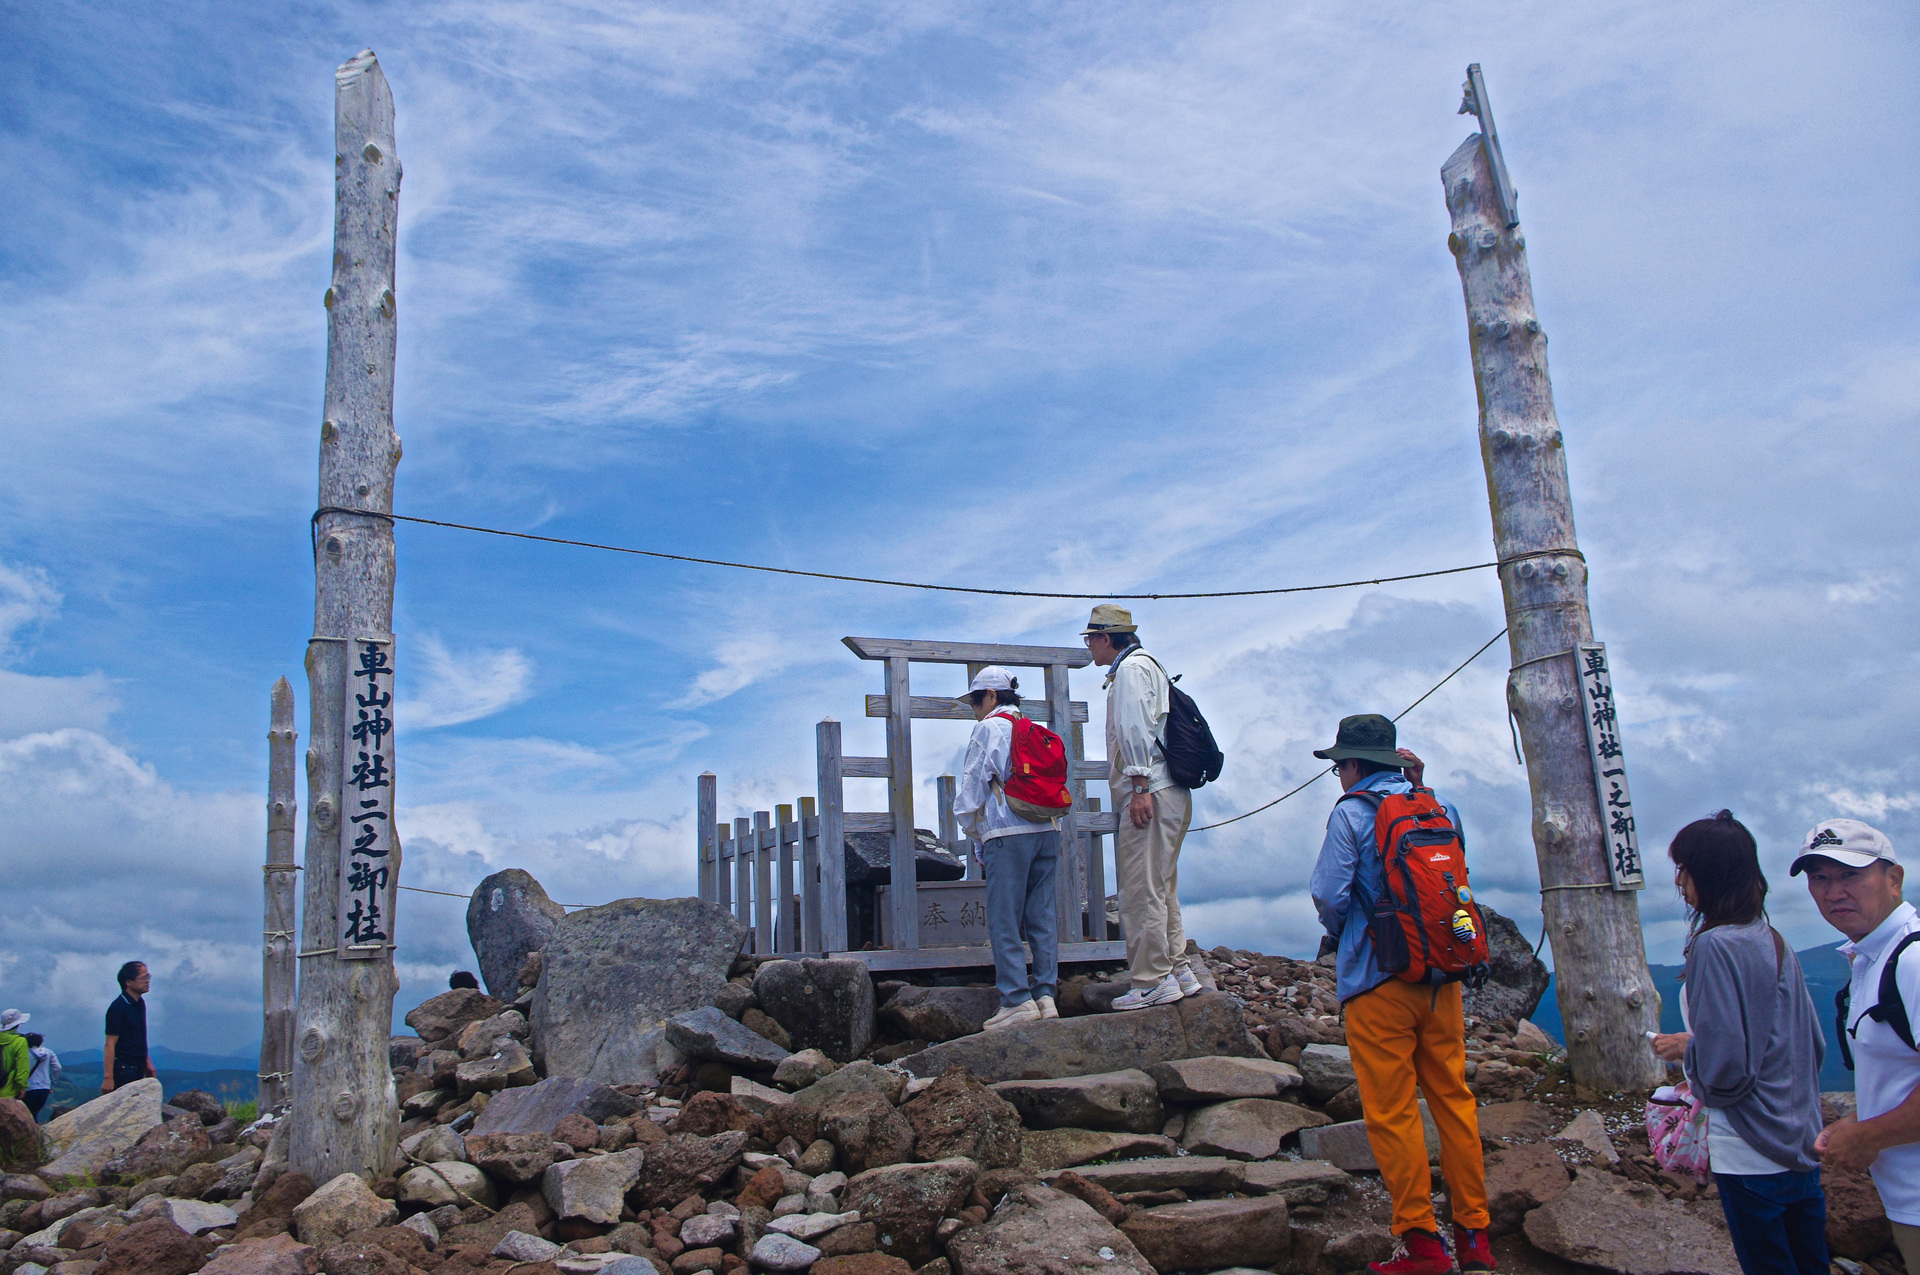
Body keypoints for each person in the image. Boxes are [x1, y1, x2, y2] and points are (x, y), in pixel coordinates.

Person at [1308, 714, 1491, 1275]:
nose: (1339, 776)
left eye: (1340, 765)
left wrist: (1345, 936)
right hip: (1441, 979)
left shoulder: (1352, 814)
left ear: (1356, 766)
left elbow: (1329, 895)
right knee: (1454, 1102)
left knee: (1392, 1113)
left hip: (1376, 980)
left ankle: (1423, 1246)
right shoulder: (1442, 809)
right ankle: (1477, 1242)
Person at [1648, 811, 1826, 1275]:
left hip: (1747, 1147)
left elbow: (1726, 1067)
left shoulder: (1713, 946)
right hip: (1801, 1141)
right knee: (1811, 1263)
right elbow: (1814, 1044)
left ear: (1709, 873)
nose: (1680, 881)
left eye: (1684, 868)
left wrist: (1693, 1063)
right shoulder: (1774, 939)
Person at [1793, 819, 1920, 1270]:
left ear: (1894, 878)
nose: (1833, 891)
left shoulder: (1913, 961)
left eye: (1851, 874)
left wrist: (1867, 1135)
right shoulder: (1873, 957)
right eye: (1819, 878)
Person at [1081, 604, 1197, 1010]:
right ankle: (1178, 968)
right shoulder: (1151, 665)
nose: (1090, 646)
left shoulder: (1129, 671)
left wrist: (1139, 785)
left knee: (1139, 887)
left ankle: (1151, 979)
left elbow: (1134, 728)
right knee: (1162, 884)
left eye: (1091, 638)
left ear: (1107, 638)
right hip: (1172, 789)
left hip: (1150, 787)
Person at [951, 666, 1061, 1031]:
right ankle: (1045, 995)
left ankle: (1016, 1000)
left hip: (1007, 831)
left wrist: (974, 832)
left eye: (976, 699)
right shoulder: (1035, 728)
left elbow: (972, 791)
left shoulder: (989, 728)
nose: (974, 708)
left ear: (993, 696)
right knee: (1041, 915)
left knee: (1004, 918)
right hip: (1047, 827)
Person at [103, 961, 154, 1092]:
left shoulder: (140, 1003)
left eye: (148, 977)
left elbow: (139, 1037)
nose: (147, 981)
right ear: (128, 982)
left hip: (138, 1066)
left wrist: (147, 1063)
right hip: (124, 1069)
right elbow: (110, 1044)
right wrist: (108, 1077)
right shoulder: (118, 1007)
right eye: (143, 978)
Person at [23, 1033, 59, 1119]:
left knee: (26, 1115)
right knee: (35, 1114)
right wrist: (52, 1084)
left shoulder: (25, 1053)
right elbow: (57, 1068)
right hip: (45, 1087)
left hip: (29, 1088)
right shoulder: (49, 1052)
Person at [0, 1010, 28, 1102]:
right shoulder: (20, 1041)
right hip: (8, 1089)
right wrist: (22, 1087)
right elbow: (22, 1067)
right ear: (17, 1025)